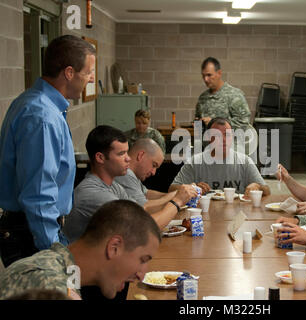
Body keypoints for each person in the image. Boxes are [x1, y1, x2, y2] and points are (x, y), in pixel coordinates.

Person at [0, 35, 96, 267]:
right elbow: (38, 195)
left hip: (31, 228)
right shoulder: (42, 116)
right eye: (88, 71)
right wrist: (54, 254)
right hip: (31, 233)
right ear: (69, 72)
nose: (91, 78)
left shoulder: (36, 102)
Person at [0, 200, 161, 300]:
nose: (142, 275)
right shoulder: (50, 284)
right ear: (114, 247)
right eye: (142, 260)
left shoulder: (67, 273)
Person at [63, 125, 197, 244]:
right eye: (121, 154)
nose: (128, 158)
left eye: (127, 152)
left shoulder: (113, 186)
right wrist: (177, 201)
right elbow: (144, 229)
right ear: (100, 158)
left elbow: (141, 211)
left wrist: (174, 196)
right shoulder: (93, 193)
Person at [169, 117, 270, 197]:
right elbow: (172, 189)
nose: (223, 140)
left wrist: (257, 186)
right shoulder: (195, 162)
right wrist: (192, 188)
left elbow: (267, 190)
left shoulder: (244, 161)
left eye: (227, 135)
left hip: (236, 215)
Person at [115, 138, 175, 209]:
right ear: (141, 155)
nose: (154, 172)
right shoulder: (125, 173)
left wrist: (173, 195)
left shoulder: (133, 174)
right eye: (154, 165)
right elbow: (143, 208)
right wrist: (175, 200)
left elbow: (146, 193)